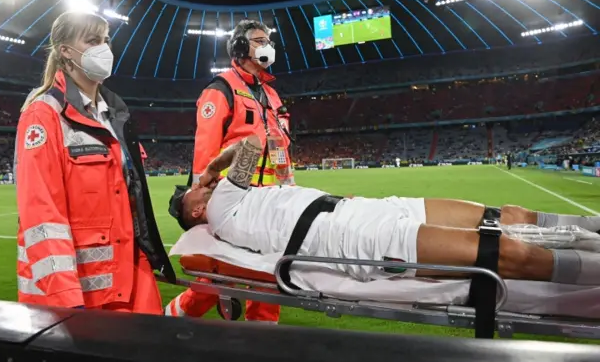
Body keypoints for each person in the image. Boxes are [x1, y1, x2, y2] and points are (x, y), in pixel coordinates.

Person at [169, 135, 600, 286]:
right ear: (195, 214)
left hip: (364, 211)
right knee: (508, 253)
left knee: (507, 215)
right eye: (190, 194)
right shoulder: (221, 207)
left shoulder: (236, 201)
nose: (197, 187)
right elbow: (250, 145)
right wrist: (210, 172)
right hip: (357, 239)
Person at [14, 12, 173, 313]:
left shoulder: (116, 114)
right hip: (80, 295)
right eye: (92, 40)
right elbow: (42, 215)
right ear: (65, 51)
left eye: (106, 41)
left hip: (130, 281)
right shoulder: (45, 114)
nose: (104, 49)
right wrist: (66, 302)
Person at [165, 19, 294, 323]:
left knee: (267, 273)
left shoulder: (272, 95)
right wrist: (204, 202)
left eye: (268, 40)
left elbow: (281, 146)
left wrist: (288, 188)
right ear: (239, 47)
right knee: (218, 276)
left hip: (271, 199)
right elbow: (205, 153)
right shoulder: (221, 89)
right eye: (259, 41)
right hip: (234, 200)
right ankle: (170, 319)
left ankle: (260, 340)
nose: (268, 46)